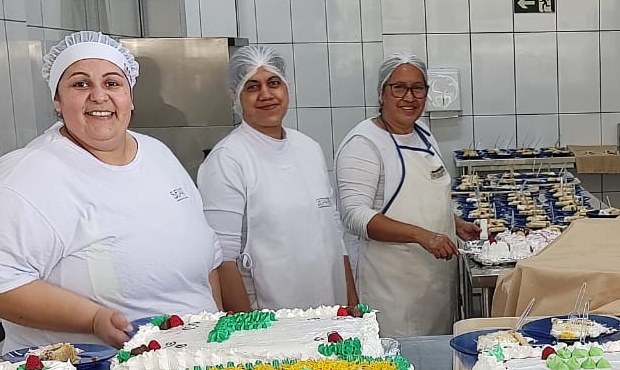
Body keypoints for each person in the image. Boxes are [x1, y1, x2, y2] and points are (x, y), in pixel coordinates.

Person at [0, 31, 223, 351]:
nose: (99, 96)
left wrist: (220, 332)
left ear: (129, 97)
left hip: (198, 362)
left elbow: (209, 259)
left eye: (112, 83)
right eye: (80, 84)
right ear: (57, 101)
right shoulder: (27, 174)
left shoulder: (157, 154)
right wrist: (92, 319)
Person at [196, 45, 356, 313]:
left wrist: (351, 303)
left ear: (286, 88)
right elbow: (222, 258)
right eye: (252, 87)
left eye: (273, 83)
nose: (266, 94)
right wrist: (250, 329)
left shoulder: (308, 148)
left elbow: (334, 233)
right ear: (236, 97)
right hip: (271, 320)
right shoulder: (228, 159)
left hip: (330, 313)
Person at [334, 54, 479, 336]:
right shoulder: (363, 144)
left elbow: (423, 197)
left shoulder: (423, 133)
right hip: (390, 290)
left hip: (433, 284)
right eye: (399, 88)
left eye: (417, 88)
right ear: (381, 92)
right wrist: (422, 236)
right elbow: (354, 215)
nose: (409, 97)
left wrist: (453, 223)